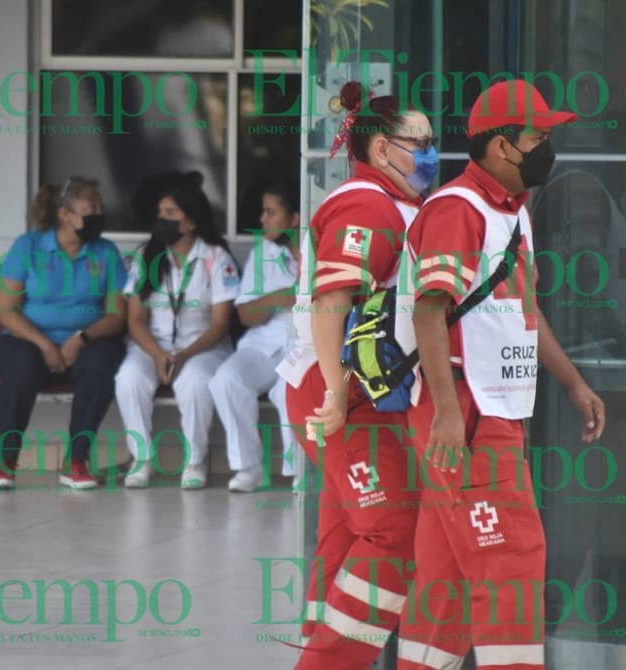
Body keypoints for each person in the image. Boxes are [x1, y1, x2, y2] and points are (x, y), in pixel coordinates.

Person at [395, 79, 606, 670]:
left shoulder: (507, 212)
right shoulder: (457, 210)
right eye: (537, 136)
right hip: (464, 411)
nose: (546, 146)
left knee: (448, 580)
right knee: (511, 558)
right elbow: (430, 308)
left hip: (489, 410)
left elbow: (521, 310)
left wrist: (572, 382)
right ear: (500, 146)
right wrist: (444, 415)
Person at [278, 82, 437, 669]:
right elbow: (331, 301)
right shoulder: (366, 204)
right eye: (415, 141)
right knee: (393, 533)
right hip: (341, 390)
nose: (427, 151)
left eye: (430, 140)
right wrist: (338, 396)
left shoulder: (398, 204)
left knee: (346, 540)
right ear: (379, 149)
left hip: (361, 391)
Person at [0, 177, 127, 491]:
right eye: (90, 209)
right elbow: (5, 310)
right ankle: (5, 461)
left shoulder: (106, 252)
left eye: (100, 208)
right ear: (65, 215)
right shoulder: (29, 246)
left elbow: (117, 316)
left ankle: (77, 461)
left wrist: (80, 339)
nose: (98, 215)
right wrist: (43, 344)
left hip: (88, 341)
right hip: (27, 341)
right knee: (20, 367)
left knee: (102, 362)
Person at [115, 171, 240, 490]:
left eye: (171, 214)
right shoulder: (147, 255)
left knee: (196, 383)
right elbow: (135, 320)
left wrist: (183, 355)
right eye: (160, 214)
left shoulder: (216, 258)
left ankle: (195, 460)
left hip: (203, 347)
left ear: (191, 222)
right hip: (151, 346)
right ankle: (142, 459)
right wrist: (158, 355)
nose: (162, 221)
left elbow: (220, 323)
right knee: (128, 379)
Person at [209, 180, 301, 492]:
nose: (262, 220)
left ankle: (298, 472)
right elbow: (246, 314)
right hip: (262, 345)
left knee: (290, 392)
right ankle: (248, 468)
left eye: (270, 212)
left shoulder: (322, 251)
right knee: (226, 379)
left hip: (304, 348)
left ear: (295, 218)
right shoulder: (262, 253)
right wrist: (279, 297)